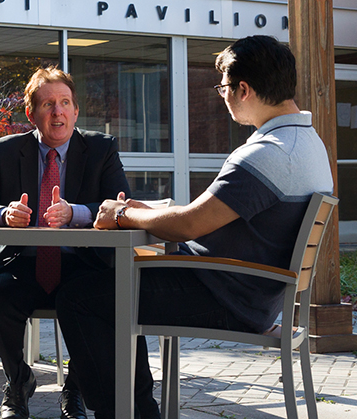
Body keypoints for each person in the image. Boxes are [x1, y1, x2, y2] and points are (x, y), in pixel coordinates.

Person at [55, 35, 334, 419]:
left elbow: (189, 224)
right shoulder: (306, 142)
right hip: (251, 292)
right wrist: (141, 209)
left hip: (224, 293)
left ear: (244, 89)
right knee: (109, 281)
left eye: (223, 88)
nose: (223, 97)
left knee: (79, 297)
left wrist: (121, 215)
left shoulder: (268, 154)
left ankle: (122, 413)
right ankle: (138, 410)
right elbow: (209, 213)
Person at [0, 66, 158, 419]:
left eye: (65, 102)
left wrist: (78, 213)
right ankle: (18, 380)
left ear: (76, 111)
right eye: (48, 104)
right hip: (23, 265)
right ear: (31, 113)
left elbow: (122, 202)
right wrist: (4, 214)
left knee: (92, 305)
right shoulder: (7, 151)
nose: (58, 112)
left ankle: (75, 389)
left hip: (84, 265)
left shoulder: (100, 148)